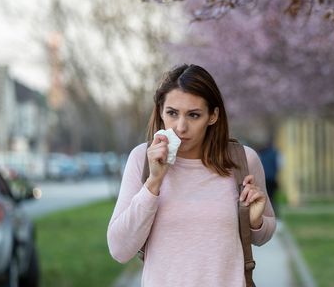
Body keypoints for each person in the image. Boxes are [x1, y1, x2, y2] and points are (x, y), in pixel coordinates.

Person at [107, 64, 276, 286]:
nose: (181, 127)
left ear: (213, 116)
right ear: (160, 111)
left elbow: (262, 235)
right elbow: (119, 249)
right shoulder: (142, 159)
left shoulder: (243, 160)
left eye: (194, 115)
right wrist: (154, 182)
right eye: (172, 113)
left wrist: (254, 221)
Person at [258, 140, 280, 216]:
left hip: (263, 178)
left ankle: (265, 213)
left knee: (265, 197)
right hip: (272, 179)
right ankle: (274, 213)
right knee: (272, 197)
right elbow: (278, 165)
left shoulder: (261, 153)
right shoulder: (275, 153)